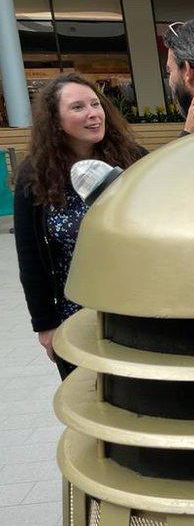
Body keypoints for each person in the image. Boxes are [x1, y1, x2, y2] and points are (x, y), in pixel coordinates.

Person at [14, 73, 147, 379]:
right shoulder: (34, 175)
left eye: (95, 104)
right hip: (74, 315)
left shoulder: (133, 159)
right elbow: (30, 257)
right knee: (86, 396)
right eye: (77, 107)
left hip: (133, 312)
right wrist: (45, 325)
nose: (92, 113)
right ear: (55, 120)